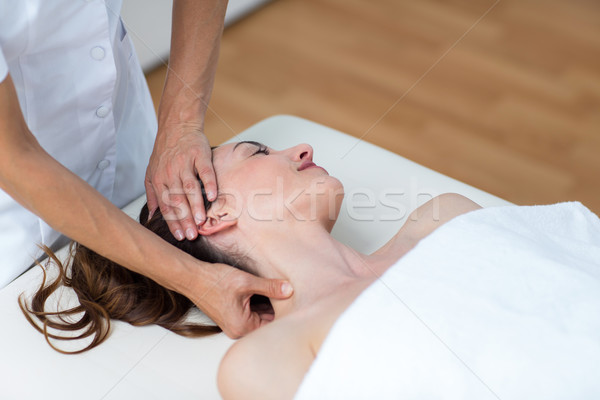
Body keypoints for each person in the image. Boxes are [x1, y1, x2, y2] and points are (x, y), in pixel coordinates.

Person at [21, 141, 600, 398]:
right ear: (212, 212)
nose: (298, 148)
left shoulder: (441, 219)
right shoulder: (265, 359)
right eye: (256, 153)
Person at [0, 0, 292, 337]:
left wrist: (181, 121)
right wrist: (193, 278)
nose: (304, 150)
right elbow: (12, 158)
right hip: (15, 223)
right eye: (256, 152)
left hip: (123, 136)